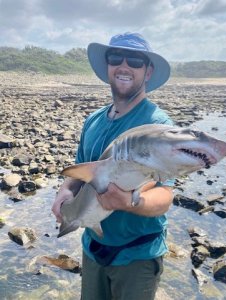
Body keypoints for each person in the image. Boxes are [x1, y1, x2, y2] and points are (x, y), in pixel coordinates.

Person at [51, 32, 174, 300]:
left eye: (135, 60)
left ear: (148, 71)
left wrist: (130, 202)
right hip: (93, 247)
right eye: (116, 57)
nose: (124, 65)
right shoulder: (93, 121)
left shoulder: (158, 127)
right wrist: (65, 189)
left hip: (137, 256)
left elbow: (165, 196)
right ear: (107, 66)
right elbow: (80, 170)